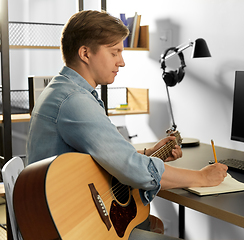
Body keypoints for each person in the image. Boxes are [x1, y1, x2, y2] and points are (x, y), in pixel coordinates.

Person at [26, 10, 228, 240]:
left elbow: (100, 156)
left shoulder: (62, 89)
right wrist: (202, 177)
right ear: (85, 53)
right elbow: (136, 171)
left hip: (66, 211)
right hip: (75, 224)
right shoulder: (74, 100)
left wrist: (148, 153)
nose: (121, 62)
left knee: (151, 223)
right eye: (115, 52)